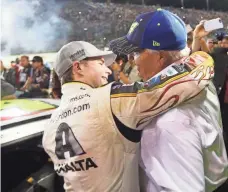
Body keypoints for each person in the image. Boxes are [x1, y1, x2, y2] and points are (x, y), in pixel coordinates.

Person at [43, 40, 212, 192]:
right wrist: (203, 55)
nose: (107, 69)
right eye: (100, 63)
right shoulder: (109, 100)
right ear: (78, 67)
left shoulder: (49, 127)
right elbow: (181, 82)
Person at [109, 9, 228, 192]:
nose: (132, 61)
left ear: (160, 57)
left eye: (136, 53)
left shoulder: (166, 122)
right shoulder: (199, 80)